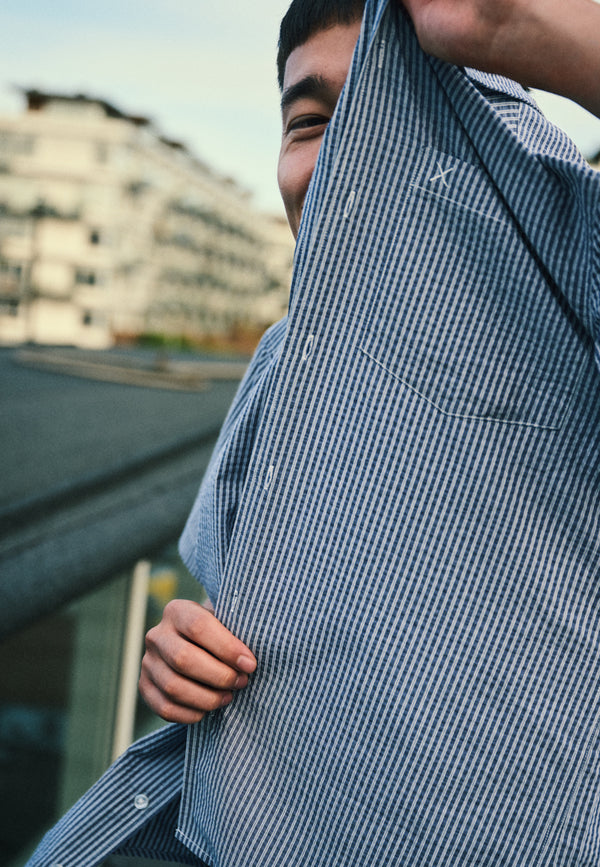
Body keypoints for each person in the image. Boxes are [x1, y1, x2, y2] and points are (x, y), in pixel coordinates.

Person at [28, 0, 600, 864]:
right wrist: (182, 651)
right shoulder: (280, 362)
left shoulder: (574, 272)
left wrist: (488, 27)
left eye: (394, 116)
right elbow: (230, 609)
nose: (348, 157)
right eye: (311, 122)